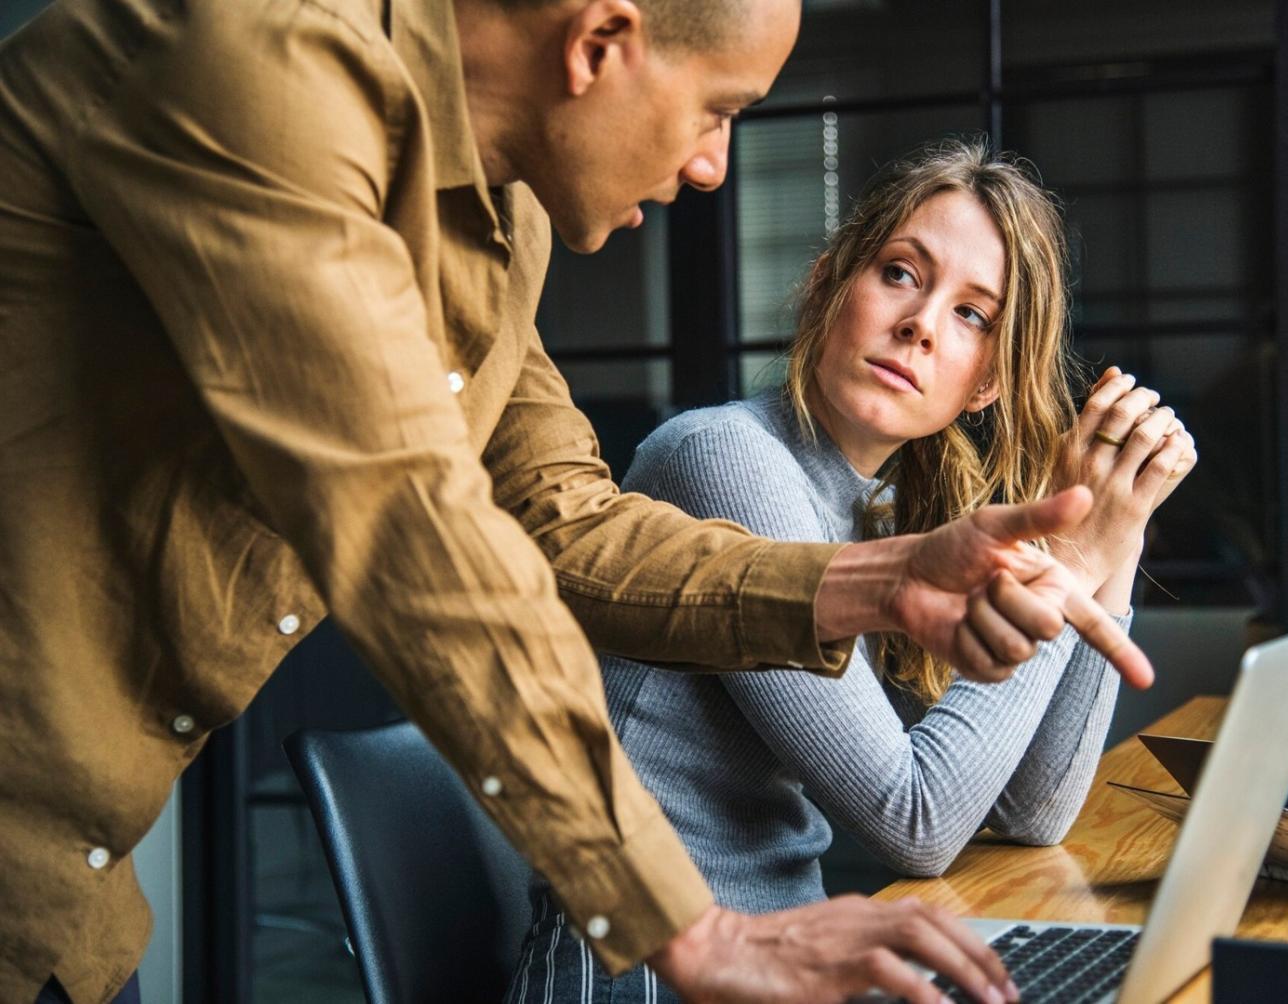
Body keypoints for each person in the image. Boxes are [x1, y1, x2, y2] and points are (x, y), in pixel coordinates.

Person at [0, 1, 1150, 1001]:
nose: (712, 165)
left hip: (71, 900)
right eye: (718, 109)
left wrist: (887, 578)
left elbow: (566, 523)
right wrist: (688, 926)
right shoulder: (263, 72)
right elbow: (409, 525)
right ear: (601, 42)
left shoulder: (499, 219)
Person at [510, 141, 1197, 1002]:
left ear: (984, 385)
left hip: (789, 964)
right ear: (827, 284)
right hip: (646, 975)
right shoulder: (722, 458)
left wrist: (1115, 537)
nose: (920, 324)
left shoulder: (884, 508)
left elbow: (1032, 812)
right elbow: (917, 821)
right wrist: (1070, 560)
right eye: (900, 274)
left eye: (971, 315)